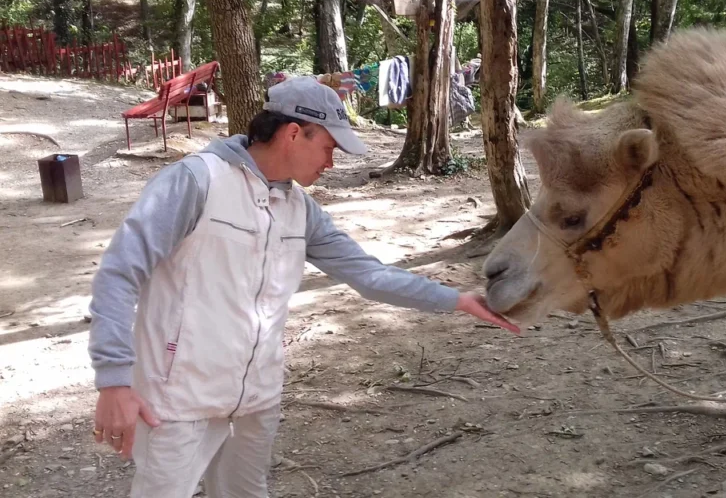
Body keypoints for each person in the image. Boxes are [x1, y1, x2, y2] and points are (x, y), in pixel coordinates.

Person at [87, 75, 519, 497]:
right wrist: (114, 380)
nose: (331, 162)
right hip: (178, 399)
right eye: (328, 147)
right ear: (294, 133)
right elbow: (121, 271)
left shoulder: (300, 209)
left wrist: (457, 300)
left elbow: (367, 274)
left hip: (257, 396)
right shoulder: (196, 181)